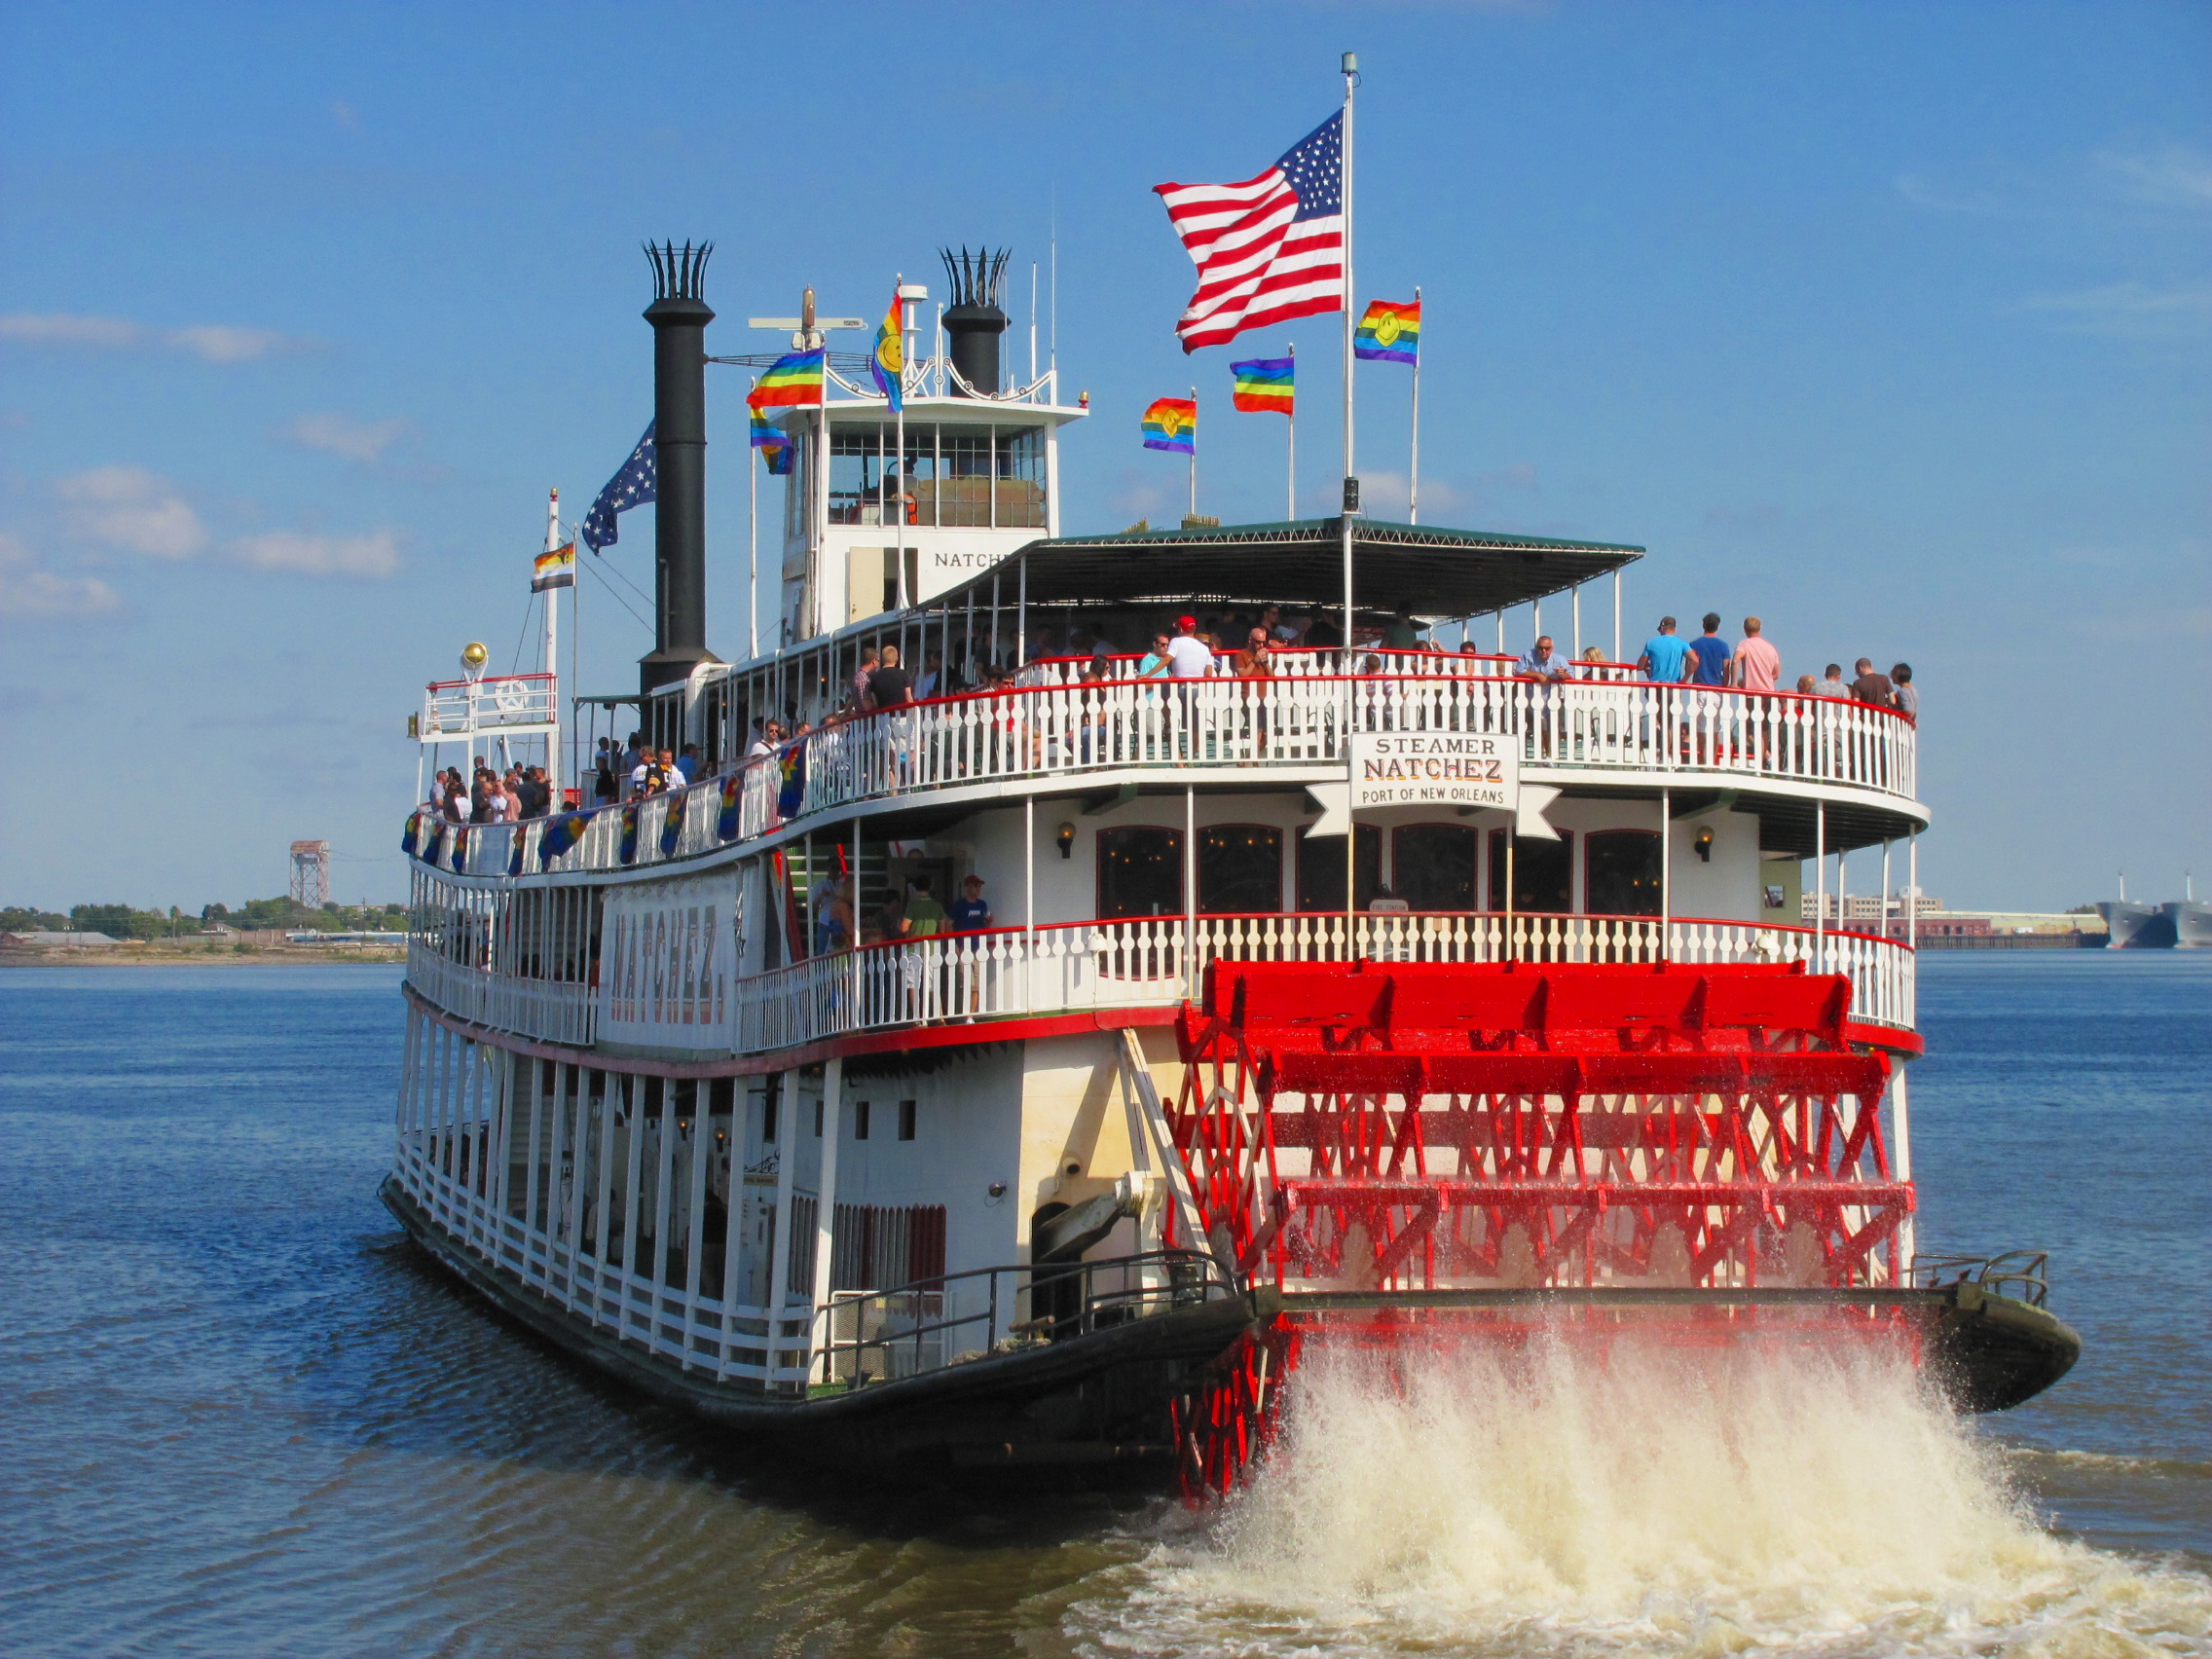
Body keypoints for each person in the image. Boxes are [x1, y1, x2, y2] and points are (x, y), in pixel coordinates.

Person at [1638, 616, 1691, 683]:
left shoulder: (1651, 643)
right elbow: (1694, 660)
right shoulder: (1682, 643)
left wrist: (1647, 668)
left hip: (1655, 686)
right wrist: (1685, 678)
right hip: (1674, 687)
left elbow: (1640, 666)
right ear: (1675, 629)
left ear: (1662, 627)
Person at [1732, 617, 1781, 692]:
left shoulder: (1744, 645)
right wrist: (1764, 679)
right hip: (1769, 693)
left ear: (1744, 629)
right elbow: (1776, 674)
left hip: (1751, 693)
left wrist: (1733, 683)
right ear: (1760, 628)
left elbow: (1735, 660)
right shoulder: (1771, 648)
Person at [1687, 612, 1732, 686]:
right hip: (1717, 687)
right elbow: (1726, 670)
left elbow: (1688, 668)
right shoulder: (1723, 646)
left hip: (1699, 686)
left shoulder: (1693, 645)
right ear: (1717, 627)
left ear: (1703, 625)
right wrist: (1724, 686)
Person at [903, 873, 948, 938]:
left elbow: (904, 928)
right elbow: (942, 930)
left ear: (915, 888)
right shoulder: (938, 906)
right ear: (930, 887)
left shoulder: (912, 905)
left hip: (914, 945)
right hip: (932, 945)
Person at [868, 642, 912, 708]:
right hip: (902, 715)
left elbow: (875, 703)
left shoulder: (874, 677)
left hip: (881, 716)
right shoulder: (903, 674)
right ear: (896, 659)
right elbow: (909, 699)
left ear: (882, 659)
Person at [852, 645, 879, 712]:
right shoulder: (863, 678)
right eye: (878, 660)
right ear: (874, 661)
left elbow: (852, 700)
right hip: (867, 720)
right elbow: (868, 707)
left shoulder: (859, 676)